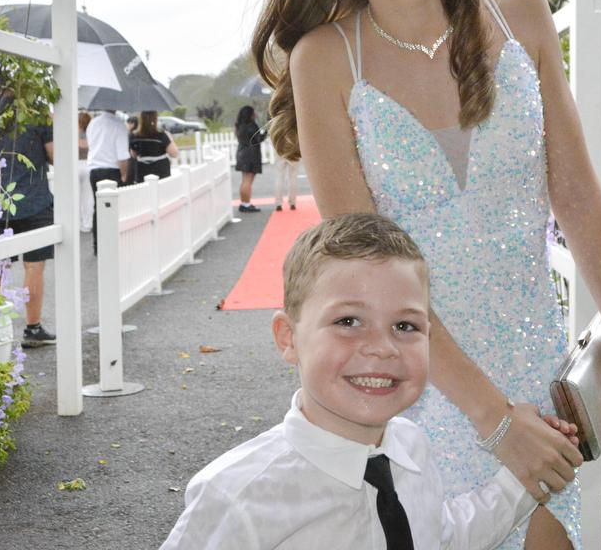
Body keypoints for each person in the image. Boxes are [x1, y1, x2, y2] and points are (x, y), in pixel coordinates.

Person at [250, 0, 601, 548]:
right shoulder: (326, 60)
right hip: (417, 396)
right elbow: (365, 274)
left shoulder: (520, 13)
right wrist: (493, 422)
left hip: (537, 380)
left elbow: (574, 194)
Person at [162, 213, 579, 550]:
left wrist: (525, 478)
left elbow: (439, 537)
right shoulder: (240, 496)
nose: (382, 347)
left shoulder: (411, 448)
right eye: (348, 321)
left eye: (405, 325)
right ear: (288, 338)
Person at [0, 90, 56, 348]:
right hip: (34, 200)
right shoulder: (38, 115)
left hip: (0, 201)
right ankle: (33, 328)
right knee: (34, 265)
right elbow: (55, 155)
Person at [85, 109, 129, 252]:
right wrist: (124, 175)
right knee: (114, 209)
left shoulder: (93, 123)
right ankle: (113, 244)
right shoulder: (119, 125)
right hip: (112, 170)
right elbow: (122, 155)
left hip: (94, 170)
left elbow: (91, 144)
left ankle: (98, 244)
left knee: (98, 208)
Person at [130, 110, 179, 181]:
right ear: (155, 118)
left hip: (142, 172)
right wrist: (170, 138)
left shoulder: (135, 136)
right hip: (161, 172)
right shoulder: (161, 135)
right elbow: (174, 154)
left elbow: (133, 155)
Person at [234, 105, 266, 213]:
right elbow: (258, 139)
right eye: (254, 112)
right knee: (248, 181)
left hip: (242, 153)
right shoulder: (252, 125)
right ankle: (247, 204)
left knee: (244, 180)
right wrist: (265, 133)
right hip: (251, 155)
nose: (255, 114)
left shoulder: (239, 125)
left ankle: (244, 203)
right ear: (250, 114)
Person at [77, 111, 93, 233]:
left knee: (76, 197)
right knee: (88, 196)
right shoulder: (91, 133)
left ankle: (77, 222)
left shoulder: (73, 133)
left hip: (76, 165)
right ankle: (87, 223)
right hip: (88, 165)